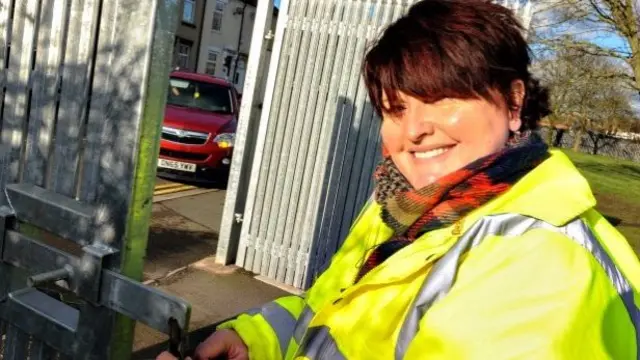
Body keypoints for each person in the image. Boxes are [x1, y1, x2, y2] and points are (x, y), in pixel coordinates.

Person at [158, 0, 640, 359]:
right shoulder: (408, 204)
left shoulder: (541, 268)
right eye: (397, 107)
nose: (414, 129)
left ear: (513, 103)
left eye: (444, 98)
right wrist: (255, 338)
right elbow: (337, 313)